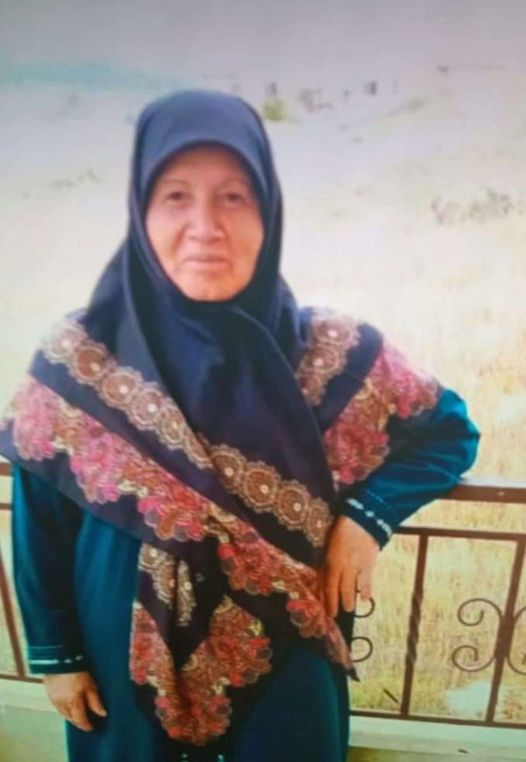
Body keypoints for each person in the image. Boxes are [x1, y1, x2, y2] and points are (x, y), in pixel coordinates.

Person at [0, 89, 479, 762]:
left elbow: (448, 432)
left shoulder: (333, 355)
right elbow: (39, 523)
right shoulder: (80, 358)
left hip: (288, 663)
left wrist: (367, 519)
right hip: (120, 669)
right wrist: (58, 656)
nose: (206, 225)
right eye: (175, 196)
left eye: (233, 197)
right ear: (140, 211)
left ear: (268, 212)